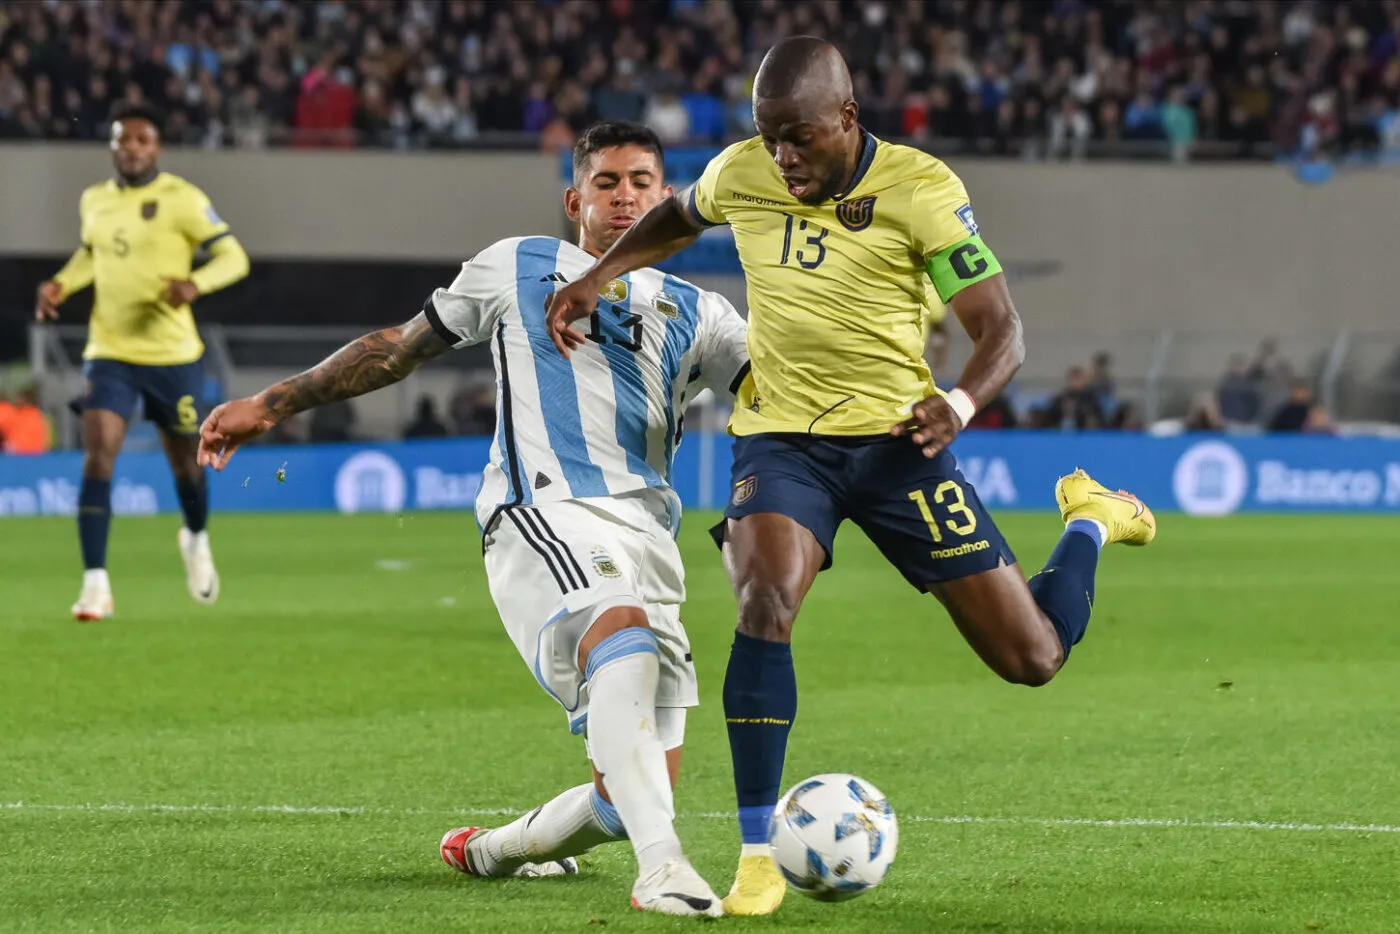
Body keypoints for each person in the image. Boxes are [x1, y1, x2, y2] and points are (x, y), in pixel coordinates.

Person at [544, 37, 1157, 917]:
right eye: (770, 139)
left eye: (800, 139)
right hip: (781, 441)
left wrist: (959, 403)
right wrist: (600, 275)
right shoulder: (744, 170)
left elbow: (1002, 330)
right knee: (764, 599)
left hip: (899, 446)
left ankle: (1092, 518)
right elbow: (677, 217)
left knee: (1033, 659)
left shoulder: (922, 191)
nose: (783, 159)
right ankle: (758, 858)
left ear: (847, 118)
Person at [194, 122, 749, 918]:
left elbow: (781, 397)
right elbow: (397, 349)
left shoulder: (702, 313)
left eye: (640, 183)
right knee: (618, 638)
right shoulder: (518, 264)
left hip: (648, 539)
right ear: (575, 201)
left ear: (667, 199)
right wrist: (274, 402)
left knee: (630, 796)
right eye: (605, 182)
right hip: (544, 511)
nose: (624, 196)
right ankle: (663, 869)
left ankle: (494, 851)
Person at [35, 102, 250, 621]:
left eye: (142, 140)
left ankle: (195, 538)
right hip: (109, 352)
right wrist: (62, 283)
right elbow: (93, 254)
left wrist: (194, 284)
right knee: (98, 457)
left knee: (186, 465)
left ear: (157, 148)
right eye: (122, 139)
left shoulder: (183, 199)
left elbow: (234, 258)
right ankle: (95, 585)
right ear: (112, 146)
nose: (131, 147)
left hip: (173, 356)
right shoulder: (94, 200)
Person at [1043, 365, 1107, 430]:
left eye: (1077, 379)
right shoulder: (1060, 399)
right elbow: (1049, 419)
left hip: (1085, 433)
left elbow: (1101, 420)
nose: (1074, 382)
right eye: (1072, 379)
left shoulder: (1091, 400)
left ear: (1084, 381)